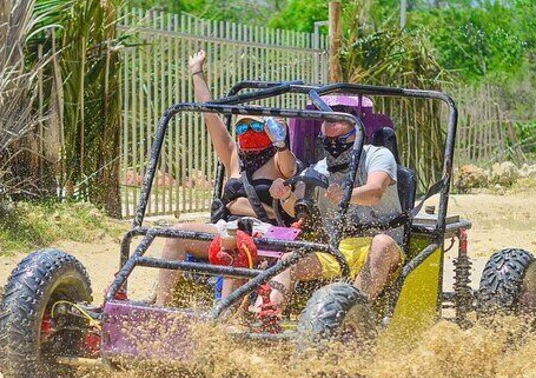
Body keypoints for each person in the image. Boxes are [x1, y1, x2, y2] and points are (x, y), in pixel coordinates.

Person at [153, 50, 298, 307]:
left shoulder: (278, 158)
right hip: (226, 227)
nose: (247, 132)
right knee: (176, 233)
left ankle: (225, 322)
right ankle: (161, 308)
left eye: (255, 127)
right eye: (242, 128)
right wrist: (197, 72)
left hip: (266, 233)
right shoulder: (233, 154)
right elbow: (210, 115)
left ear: (268, 130)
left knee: (235, 244)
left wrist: (280, 143)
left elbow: (290, 170)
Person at [262, 110, 404, 312]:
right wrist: (284, 194)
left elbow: (375, 191)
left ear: (356, 135)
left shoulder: (377, 155)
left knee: (381, 244)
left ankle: (349, 316)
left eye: (339, 140)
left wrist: (347, 194)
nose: (333, 146)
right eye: (327, 141)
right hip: (339, 250)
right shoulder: (320, 169)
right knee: (289, 260)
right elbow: (298, 208)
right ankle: (266, 317)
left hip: (383, 246)